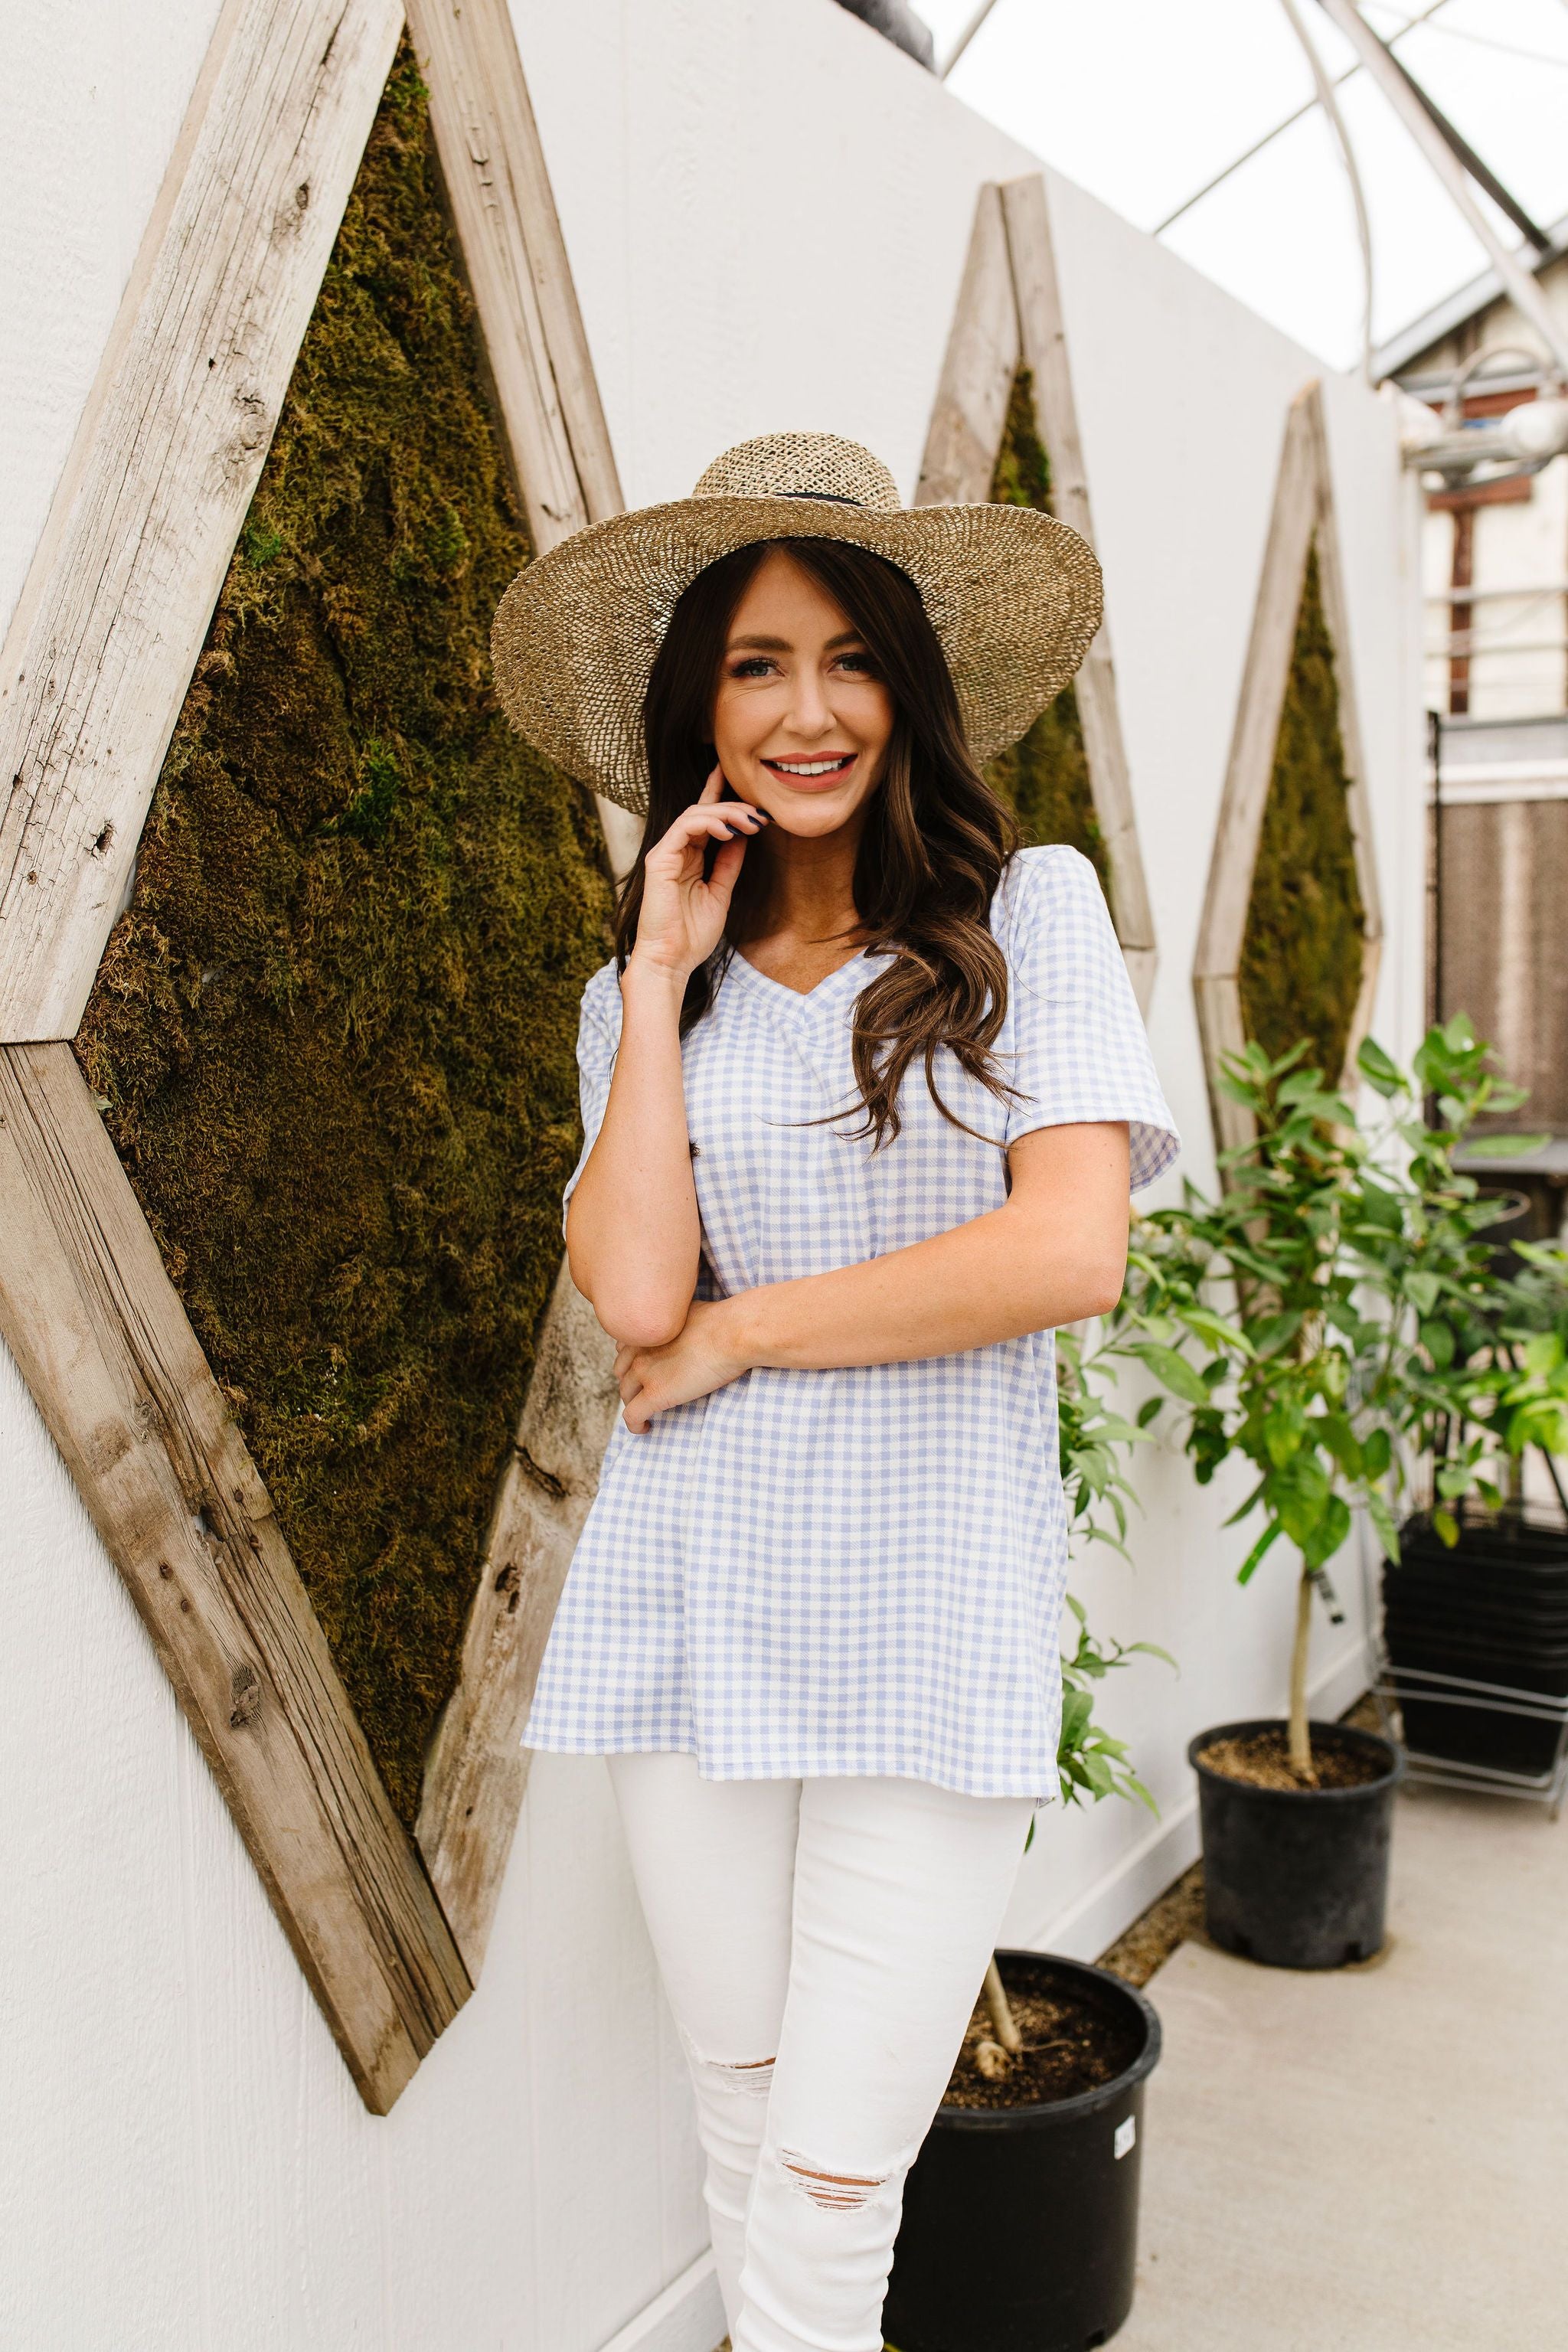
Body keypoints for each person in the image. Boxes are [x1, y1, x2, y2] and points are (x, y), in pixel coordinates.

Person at [492, 433, 1178, 2352]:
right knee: (736, 2108)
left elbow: (1068, 1254)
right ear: (697, 703)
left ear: (913, 687)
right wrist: (652, 972)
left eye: (851, 658)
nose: (808, 711)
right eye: (757, 665)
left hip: (928, 1608)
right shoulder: (657, 995)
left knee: (831, 2165)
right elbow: (635, 1290)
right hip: (696, 1611)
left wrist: (747, 1329)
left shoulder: (1025, 914)